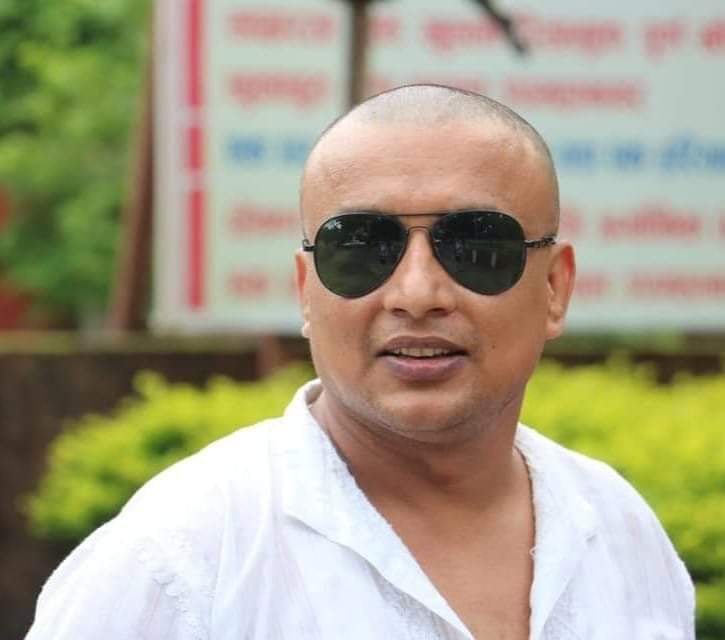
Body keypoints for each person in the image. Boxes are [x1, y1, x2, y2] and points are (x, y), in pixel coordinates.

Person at [27, 85, 694, 639]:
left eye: (475, 248)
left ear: (554, 288)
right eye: (360, 249)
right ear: (305, 292)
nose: (417, 294)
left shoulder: (616, 527)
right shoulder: (183, 560)